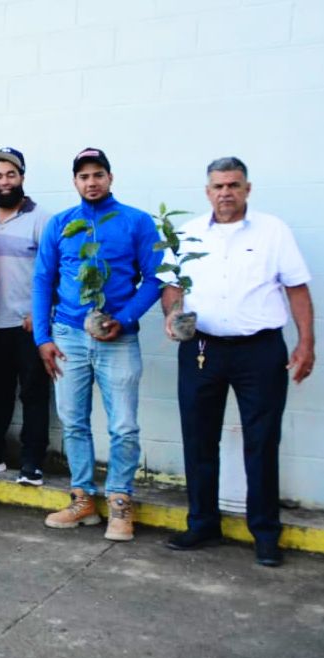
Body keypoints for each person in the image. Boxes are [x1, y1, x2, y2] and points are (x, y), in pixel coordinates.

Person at [161, 157, 314, 567]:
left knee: (262, 441)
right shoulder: (188, 233)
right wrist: (172, 316)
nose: (225, 193)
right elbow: (171, 287)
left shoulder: (273, 231)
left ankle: (264, 532)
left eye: (233, 185)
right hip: (202, 350)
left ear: (247, 188)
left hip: (259, 350)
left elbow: (297, 289)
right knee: (198, 437)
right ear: (207, 191)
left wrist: (306, 344)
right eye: (217, 186)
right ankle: (203, 523)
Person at [33, 147, 162, 542]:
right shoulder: (63, 225)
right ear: (75, 181)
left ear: (110, 178)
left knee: (123, 425)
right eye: (84, 176)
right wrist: (43, 337)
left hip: (118, 338)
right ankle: (83, 498)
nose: (91, 182)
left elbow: (155, 278)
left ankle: (121, 500)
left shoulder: (135, 222)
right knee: (74, 422)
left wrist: (122, 320)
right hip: (69, 336)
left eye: (98, 175)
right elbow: (43, 281)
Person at [0, 148, 52, 485]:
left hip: (28, 324)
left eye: (10, 175)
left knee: (34, 393)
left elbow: (55, 272)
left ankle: (33, 461)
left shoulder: (42, 219)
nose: (4, 181)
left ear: (22, 177)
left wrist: (42, 313)